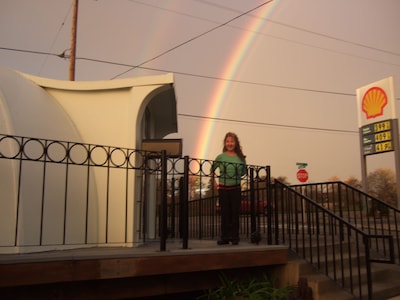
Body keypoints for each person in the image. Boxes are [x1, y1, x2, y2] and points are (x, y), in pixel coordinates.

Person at [211, 132, 247, 245]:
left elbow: (243, 172)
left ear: (235, 143)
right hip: (223, 189)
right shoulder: (220, 157)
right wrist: (214, 183)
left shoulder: (241, 158)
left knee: (235, 213)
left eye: (232, 141)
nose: (229, 143)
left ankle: (235, 237)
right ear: (225, 143)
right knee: (225, 213)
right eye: (227, 141)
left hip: (236, 188)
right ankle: (225, 237)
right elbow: (212, 169)